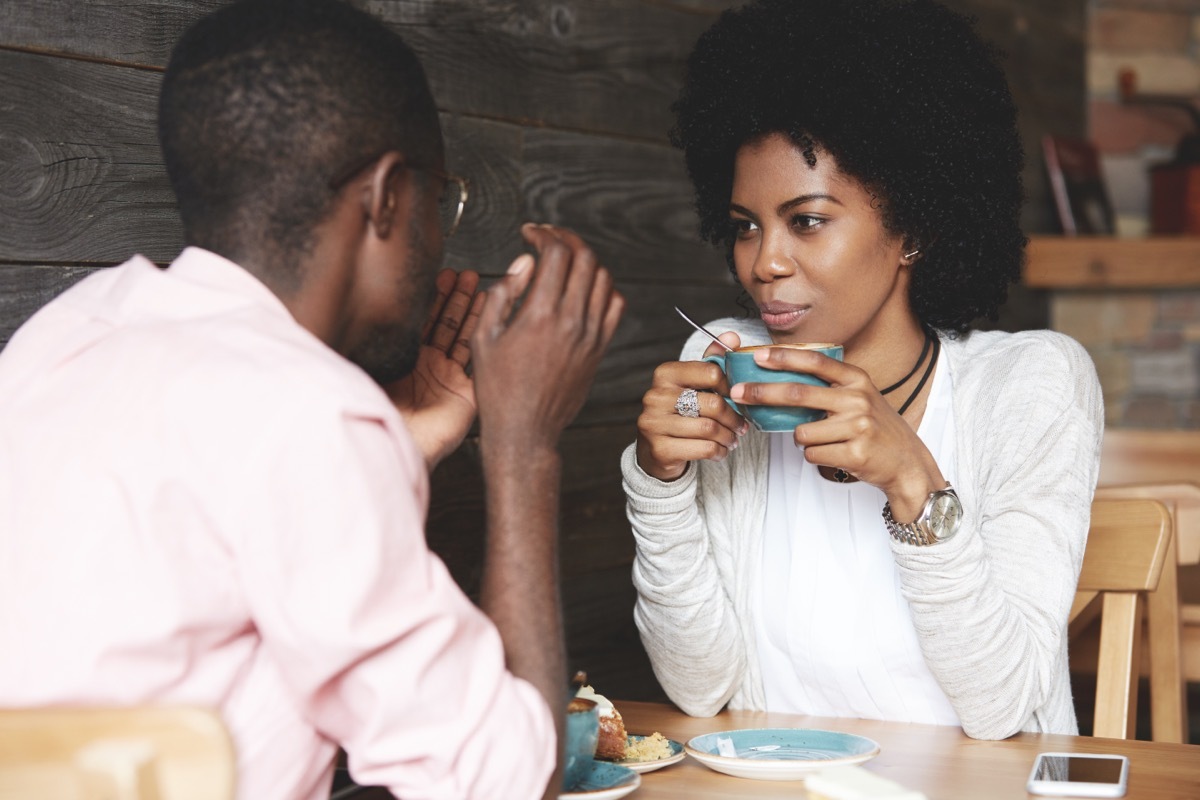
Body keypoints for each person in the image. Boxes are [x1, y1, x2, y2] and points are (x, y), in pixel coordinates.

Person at [0, 1, 623, 799]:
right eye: (442, 199)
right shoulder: (305, 413)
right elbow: (505, 783)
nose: (440, 240)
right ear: (388, 197)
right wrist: (522, 442)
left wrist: (398, 450)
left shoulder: (68, 336)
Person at [624, 0, 1103, 740]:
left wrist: (913, 482)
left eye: (806, 220)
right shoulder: (721, 368)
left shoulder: (1029, 385)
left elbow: (1001, 709)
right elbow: (697, 687)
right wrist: (659, 486)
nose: (764, 262)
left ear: (912, 226)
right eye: (745, 226)